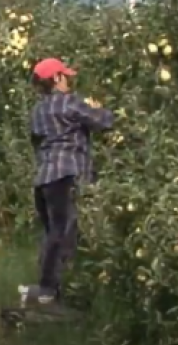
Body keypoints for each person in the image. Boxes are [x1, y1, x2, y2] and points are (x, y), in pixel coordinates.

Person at [19, 57, 114, 306]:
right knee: (64, 233)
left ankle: (46, 287)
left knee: (53, 233)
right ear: (56, 79)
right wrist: (99, 107)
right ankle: (51, 292)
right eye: (65, 76)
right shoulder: (69, 104)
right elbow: (105, 122)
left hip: (45, 178)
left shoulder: (38, 110)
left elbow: (37, 142)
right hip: (66, 176)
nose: (69, 80)